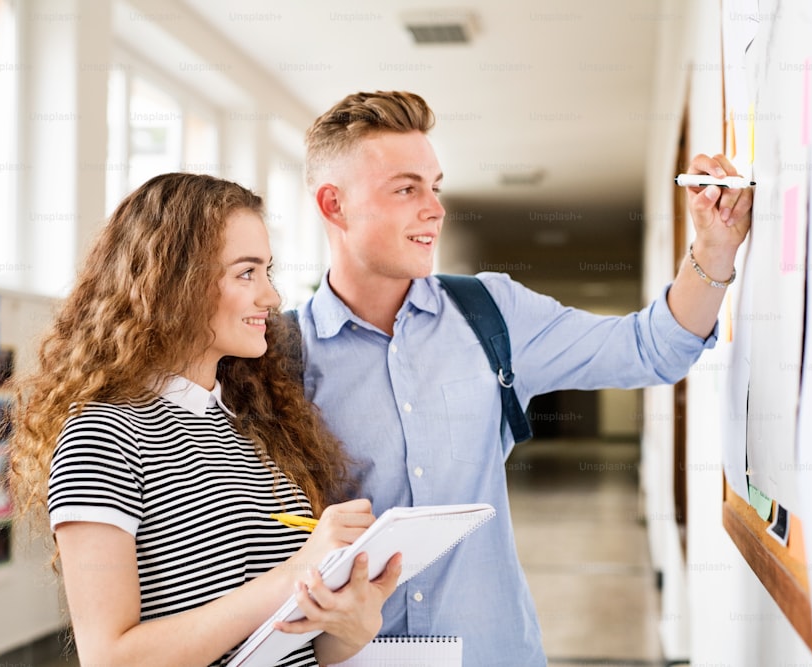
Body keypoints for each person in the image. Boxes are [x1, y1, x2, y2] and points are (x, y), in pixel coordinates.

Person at [290, 90, 753, 667]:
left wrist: (713, 248)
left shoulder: (492, 313)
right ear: (334, 205)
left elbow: (650, 348)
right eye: (406, 188)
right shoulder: (278, 359)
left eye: (435, 186)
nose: (434, 208)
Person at [7, 173, 402, 667]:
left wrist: (352, 620)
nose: (272, 298)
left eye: (268, 272)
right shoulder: (102, 436)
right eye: (246, 273)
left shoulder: (258, 428)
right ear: (175, 283)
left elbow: (307, 646)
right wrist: (293, 574)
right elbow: (110, 658)